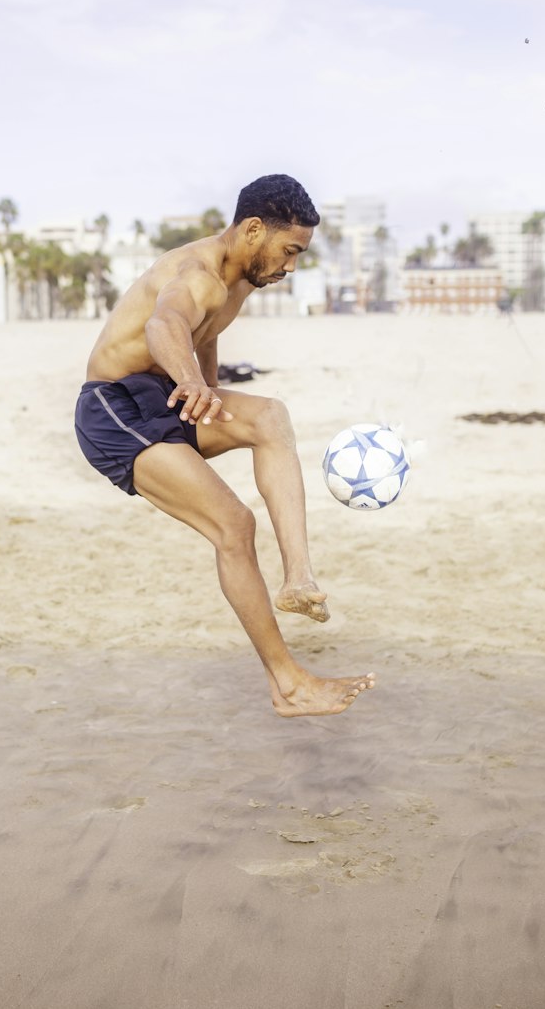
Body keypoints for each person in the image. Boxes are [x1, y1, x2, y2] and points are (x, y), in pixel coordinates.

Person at [75, 174, 375, 717]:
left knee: (270, 418)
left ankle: (299, 578)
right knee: (234, 526)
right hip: (115, 409)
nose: (290, 267)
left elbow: (203, 335)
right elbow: (166, 325)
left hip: (165, 396)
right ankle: (289, 686)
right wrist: (191, 382)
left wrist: (203, 387)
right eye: (289, 251)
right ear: (253, 230)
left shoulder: (241, 280)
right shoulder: (197, 274)